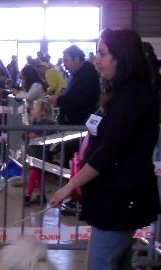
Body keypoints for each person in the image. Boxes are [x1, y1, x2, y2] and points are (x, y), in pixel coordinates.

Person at [49, 28, 161, 270]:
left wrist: (69, 187)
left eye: (103, 52)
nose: (97, 58)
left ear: (121, 57)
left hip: (122, 197)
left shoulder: (133, 98)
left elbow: (107, 155)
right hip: (113, 197)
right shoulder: (118, 93)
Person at [48, 44, 100, 216]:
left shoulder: (86, 75)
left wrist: (60, 100)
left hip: (79, 126)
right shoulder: (78, 74)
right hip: (74, 125)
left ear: (77, 59)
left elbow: (79, 100)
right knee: (74, 163)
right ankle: (76, 195)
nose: (64, 64)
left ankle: (80, 197)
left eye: (66, 60)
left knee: (80, 164)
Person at [24, 99, 56, 206]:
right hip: (35, 153)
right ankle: (42, 196)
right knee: (39, 176)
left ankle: (27, 195)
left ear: (41, 112)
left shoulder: (46, 124)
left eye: (34, 109)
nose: (32, 111)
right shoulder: (34, 124)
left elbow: (46, 138)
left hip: (41, 154)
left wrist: (37, 136)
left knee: (33, 175)